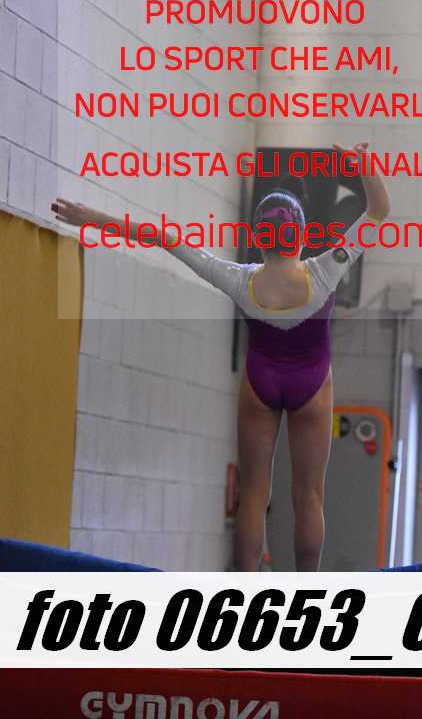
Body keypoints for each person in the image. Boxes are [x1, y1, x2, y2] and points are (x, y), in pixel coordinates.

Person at [52, 142, 390, 572]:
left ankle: (242, 589)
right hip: (311, 384)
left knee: (253, 493)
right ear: (302, 234)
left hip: (261, 382)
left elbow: (164, 238)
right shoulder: (327, 269)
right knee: (308, 496)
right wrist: (364, 165)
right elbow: (378, 210)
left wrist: (91, 219)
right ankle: (308, 589)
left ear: (258, 238)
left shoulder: (237, 279)